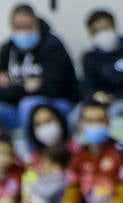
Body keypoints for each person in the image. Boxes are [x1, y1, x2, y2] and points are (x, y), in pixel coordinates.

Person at [0, 4, 79, 132]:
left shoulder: (53, 46)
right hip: (16, 105)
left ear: (36, 23)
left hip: (58, 103)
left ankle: (35, 152)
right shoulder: (7, 49)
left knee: (29, 106)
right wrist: (26, 88)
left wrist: (13, 89)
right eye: (18, 27)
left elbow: (54, 88)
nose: (23, 31)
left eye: (27, 26)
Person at [78, 9, 123, 121]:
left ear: (114, 28)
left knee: (114, 111)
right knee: (76, 114)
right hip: (98, 104)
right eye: (96, 31)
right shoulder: (89, 58)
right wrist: (95, 95)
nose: (102, 34)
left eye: (105, 28)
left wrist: (112, 99)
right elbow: (86, 87)